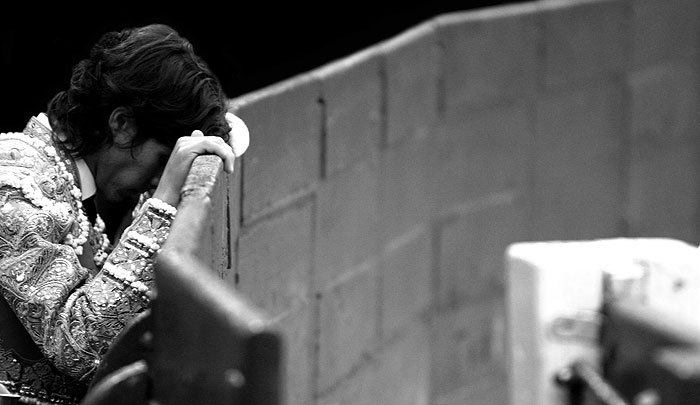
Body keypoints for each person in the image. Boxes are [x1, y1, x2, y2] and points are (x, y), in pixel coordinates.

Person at [0, 23, 249, 404]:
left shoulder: (67, 181)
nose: (157, 179)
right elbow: (79, 348)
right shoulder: (15, 183)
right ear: (121, 124)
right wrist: (163, 202)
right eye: (162, 161)